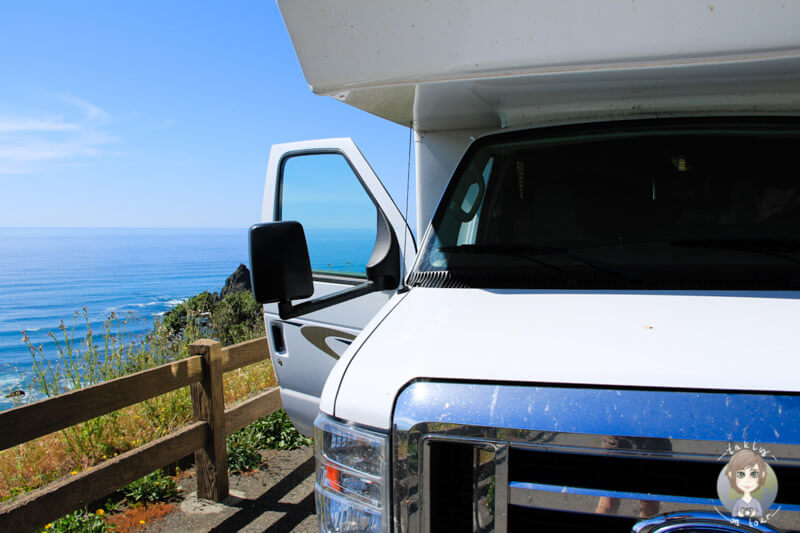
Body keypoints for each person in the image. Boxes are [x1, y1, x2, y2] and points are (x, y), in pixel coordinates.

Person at [725, 449, 767, 518]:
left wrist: (753, 513)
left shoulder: (755, 502)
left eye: (754, 474)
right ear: (731, 475)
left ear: (762, 475)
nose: (747, 480)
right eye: (741, 474)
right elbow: (734, 513)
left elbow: (759, 513)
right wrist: (739, 513)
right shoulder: (738, 502)